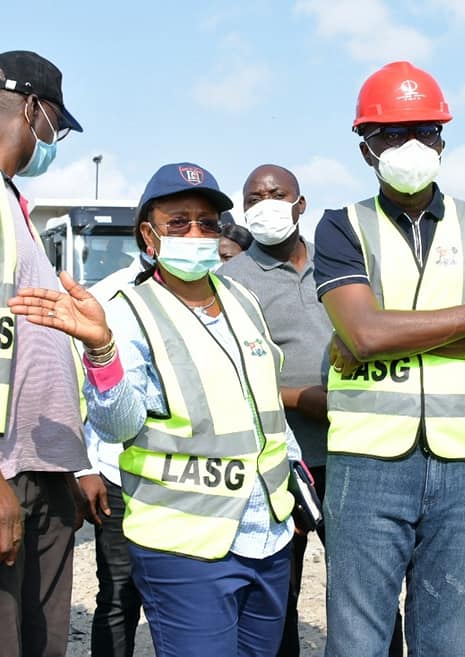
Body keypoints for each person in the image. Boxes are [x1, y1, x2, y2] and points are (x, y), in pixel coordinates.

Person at [11, 162, 303, 657]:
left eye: (207, 223)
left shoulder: (243, 300)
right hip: (185, 543)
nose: (196, 233)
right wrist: (102, 349)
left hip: (266, 535)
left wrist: (292, 487)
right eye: (179, 222)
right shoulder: (124, 311)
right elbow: (119, 423)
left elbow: (264, 408)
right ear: (149, 235)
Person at [313, 61, 465, 657]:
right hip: (368, 460)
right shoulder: (341, 226)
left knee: (448, 640)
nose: (410, 145)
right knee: (358, 639)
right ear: (366, 149)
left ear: (442, 139)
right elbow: (363, 332)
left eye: (424, 131)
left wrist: (385, 333)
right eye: (391, 134)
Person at [219, 164, 393, 657]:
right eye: (254, 198)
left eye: (277, 194)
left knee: (366, 590)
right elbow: (231, 375)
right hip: (283, 464)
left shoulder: (339, 265)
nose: (266, 204)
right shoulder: (230, 281)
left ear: (301, 204)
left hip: (356, 453)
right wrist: (300, 398)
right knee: (277, 592)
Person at [0, 50, 88, 657]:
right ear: (32, 107)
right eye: (55, 125)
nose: (53, 140)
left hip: (46, 468)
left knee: (44, 641)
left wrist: (75, 464)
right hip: (9, 474)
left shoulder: (16, 208)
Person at [74, 250, 153, 657]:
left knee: (183, 601)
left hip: (188, 485)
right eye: (177, 222)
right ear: (148, 233)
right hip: (117, 477)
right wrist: (84, 468)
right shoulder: (106, 296)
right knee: (119, 596)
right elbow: (77, 388)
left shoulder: (222, 296)